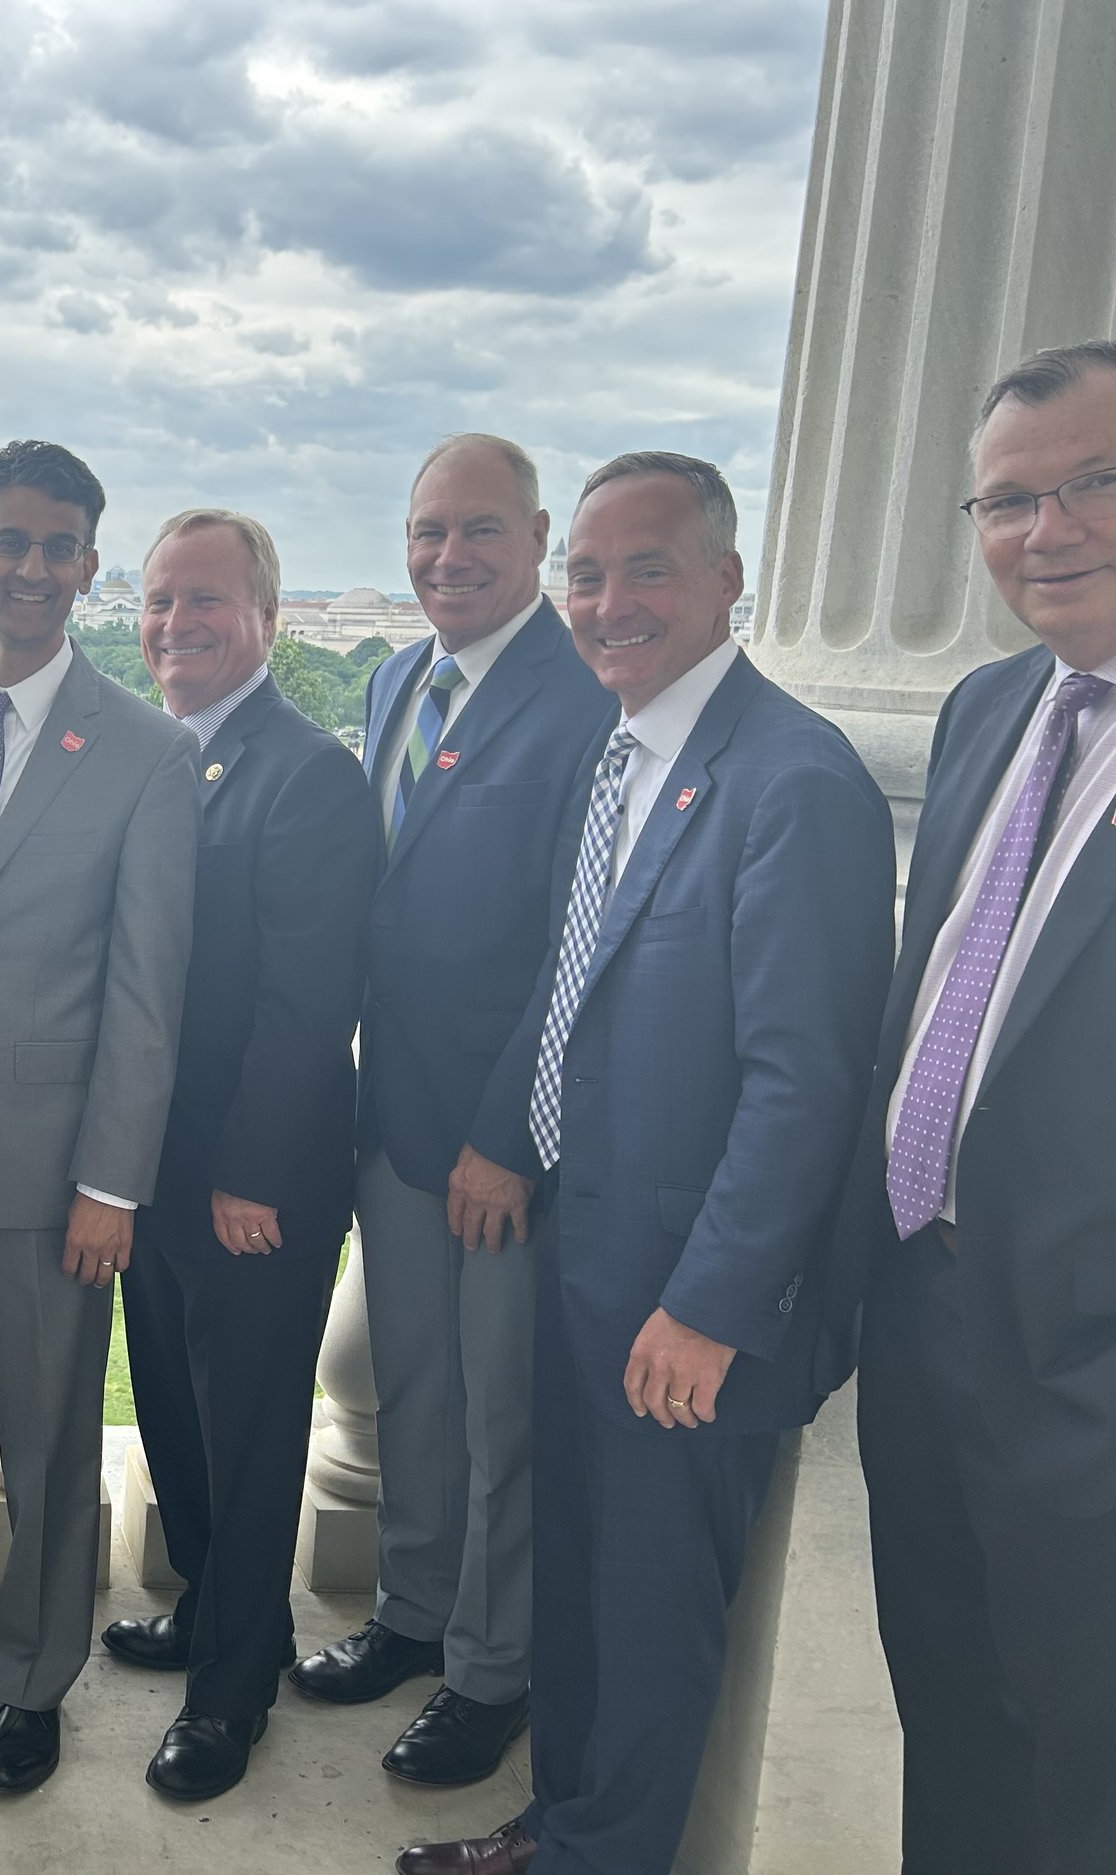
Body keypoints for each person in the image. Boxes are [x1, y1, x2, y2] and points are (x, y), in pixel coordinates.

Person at [398, 454, 893, 1875]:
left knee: (655, 1605)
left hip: (681, 1300)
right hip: (584, 1250)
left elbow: (805, 1080)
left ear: (730, 580)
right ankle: (561, 1824)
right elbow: (573, 984)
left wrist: (712, 1302)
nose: (610, 603)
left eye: (649, 568)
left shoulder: (794, 781)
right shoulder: (623, 755)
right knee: (585, 1585)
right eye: (590, 574)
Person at [0, 439, 198, 1793]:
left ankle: (35, 1669)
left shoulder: (145, 749)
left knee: (53, 1426)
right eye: (10, 541)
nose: (33, 569)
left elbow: (146, 985)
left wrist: (113, 1181)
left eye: (61, 547)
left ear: (89, 569)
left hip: (56, 1161)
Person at [291, 437, 613, 1788]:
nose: (448, 557)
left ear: (537, 537)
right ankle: (413, 1615)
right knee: (415, 1390)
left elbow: (574, 942)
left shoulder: (587, 694)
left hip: (499, 1144)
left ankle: (491, 1670)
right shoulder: (391, 676)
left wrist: (511, 1134)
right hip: (392, 1119)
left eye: (479, 531)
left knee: (501, 1419)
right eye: (427, 532)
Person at [839, 340, 1116, 1875]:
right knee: (947, 1713)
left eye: (1093, 483)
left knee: (1087, 1769)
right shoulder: (990, 706)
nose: (1048, 530)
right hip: (926, 1321)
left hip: (1087, 1373)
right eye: (1008, 501)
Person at [103, 508, 378, 1801]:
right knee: (174, 1406)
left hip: (249, 1179)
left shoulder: (307, 772)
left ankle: (231, 1695)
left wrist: (254, 1171)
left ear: (265, 614)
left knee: (254, 1426)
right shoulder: (160, 755)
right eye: (159, 601)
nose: (175, 625)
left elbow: (308, 999)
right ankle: (221, 1610)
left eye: (205, 601)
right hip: (148, 1166)